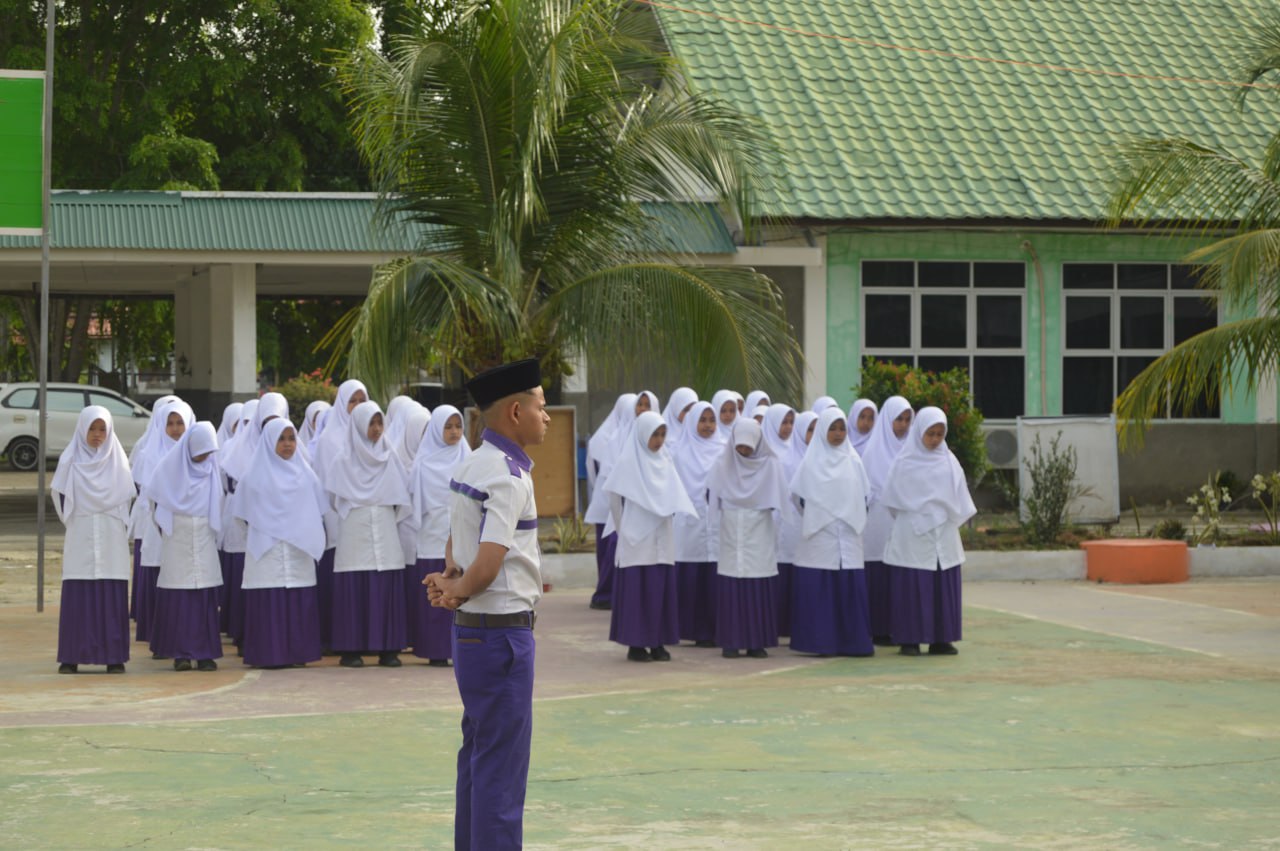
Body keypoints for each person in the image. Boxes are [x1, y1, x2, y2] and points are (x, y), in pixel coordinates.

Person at [425, 358, 549, 851]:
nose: (546, 417)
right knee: (502, 772)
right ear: (515, 412)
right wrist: (457, 586)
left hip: (474, 632)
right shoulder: (508, 474)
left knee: (479, 758)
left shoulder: (473, 462)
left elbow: (457, 549)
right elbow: (491, 560)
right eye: (541, 407)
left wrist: (451, 582)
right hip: (501, 637)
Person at [229, 418, 328, 669]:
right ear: (269, 442)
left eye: (291, 438)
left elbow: (318, 510)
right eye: (281, 439)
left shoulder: (307, 475)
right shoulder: (253, 477)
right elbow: (241, 517)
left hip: (298, 551)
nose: (287, 444)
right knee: (269, 598)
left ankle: (298, 652)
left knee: (297, 596)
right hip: (267, 552)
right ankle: (268, 653)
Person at [880, 407, 975, 657]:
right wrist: (916, 517)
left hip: (943, 533)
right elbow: (892, 501)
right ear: (919, 432)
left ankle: (941, 639)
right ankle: (909, 639)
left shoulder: (949, 461)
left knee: (941, 587)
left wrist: (941, 517)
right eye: (930, 434)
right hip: (912, 534)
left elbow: (959, 499)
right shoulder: (904, 462)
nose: (934, 440)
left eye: (939, 434)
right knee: (912, 587)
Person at [326, 400, 412, 668]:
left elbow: (403, 494)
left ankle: (389, 648)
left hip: (385, 528)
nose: (376, 429)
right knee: (355, 583)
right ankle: (351, 649)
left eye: (379, 423)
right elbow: (333, 497)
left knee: (385, 581)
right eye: (371, 423)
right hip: (355, 529)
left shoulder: (391, 456)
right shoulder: (343, 461)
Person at [604, 410, 696, 662]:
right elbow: (614, 499)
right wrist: (625, 531)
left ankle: (657, 642)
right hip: (636, 540)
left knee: (660, 589)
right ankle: (636, 644)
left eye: (662, 434)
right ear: (642, 434)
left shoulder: (665, 461)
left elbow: (676, 495)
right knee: (638, 592)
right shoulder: (628, 463)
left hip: (662, 536)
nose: (659, 440)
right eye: (654, 434)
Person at [53, 406, 135, 674]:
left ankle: (114, 656)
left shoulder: (118, 462)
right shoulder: (70, 461)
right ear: (82, 429)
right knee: (79, 593)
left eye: (102, 429)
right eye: (92, 428)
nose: (97, 435)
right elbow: (60, 497)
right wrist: (79, 518)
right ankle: (71, 655)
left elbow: (126, 499)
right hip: (81, 535)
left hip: (111, 538)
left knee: (111, 592)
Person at [789, 407, 874, 657]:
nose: (837, 434)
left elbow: (865, 494)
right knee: (821, 588)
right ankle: (821, 642)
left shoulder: (853, 460)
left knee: (849, 587)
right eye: (832, 428)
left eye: (841, 428)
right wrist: (820, 515)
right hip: (820, 535)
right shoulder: (811, 461)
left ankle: (853, 642)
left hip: (848, 535)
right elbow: (798, 497)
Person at [145, 421, 224, 671]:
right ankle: (180, 653)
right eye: (201, 451)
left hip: (203, 540)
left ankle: (205, 653)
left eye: (208, 452)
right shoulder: (168, 470)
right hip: (177, 540)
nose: (204, 457)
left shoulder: (212, 471)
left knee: (203, 596)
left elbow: (218, 506)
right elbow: (156, 504)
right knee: (179, 597)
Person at [708, 419, 787, 659]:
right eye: (739, 446)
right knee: (732, 583)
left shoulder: (770, 465)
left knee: (757, 583)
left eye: (748, 446)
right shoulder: (723, 464)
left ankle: (757, 642)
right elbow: (711, 496)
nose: (743, 451)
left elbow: (781, 498)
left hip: (759, 530)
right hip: (732, 528)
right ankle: (731, 641)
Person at [405, 403, 470, 666]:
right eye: (448, 427)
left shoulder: (469, 460)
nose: (454, 432)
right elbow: (414, 506)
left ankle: (462, 649)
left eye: (458, 426)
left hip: (461, 538)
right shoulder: (423, 465)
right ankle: (435, 650)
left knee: (462, 595)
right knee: (437, 595)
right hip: (432, 537)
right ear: (435, 430)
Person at [128, 397, 194, 645]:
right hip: (155, 524)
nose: (176, 429)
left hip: (186, 529)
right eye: (171, 423)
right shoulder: (149, 453)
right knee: (159, 572)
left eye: (180, 423)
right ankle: (158, 632)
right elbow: (140, 487)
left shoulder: (195, 455)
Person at [861, 395, 913, 645]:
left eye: (906, 419)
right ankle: (879, 628)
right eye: (898, 419)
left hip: (903, 522)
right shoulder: (872, 452)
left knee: (900, 574)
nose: (902, 425)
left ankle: (899, 627)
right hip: (878, 524)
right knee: (879, 575)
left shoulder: (912, 451)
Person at [583, 393, 639, 610]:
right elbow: (596, 474)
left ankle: (615, 592)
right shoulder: (603, 439)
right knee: (608, 550)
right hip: (606, 503)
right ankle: (605, 593)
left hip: (622, 503)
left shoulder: (632, 434)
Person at [672, 401, 722, 647]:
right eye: (702, 420)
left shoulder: (724, 450)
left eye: (712, 420)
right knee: (692, 577)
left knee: (714, 578)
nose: (708, 426)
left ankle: (714, 631)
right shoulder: (680, 452)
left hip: (717, 524)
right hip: (689, 524)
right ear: (692, 422)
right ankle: (691, 630)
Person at [761, 403, 800, 638]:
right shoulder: (765, 453)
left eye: (790, 423)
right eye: (782, 422)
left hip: (792, 518)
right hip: (772, 518)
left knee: (790, 561)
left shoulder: (795, 451)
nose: (787, 428)